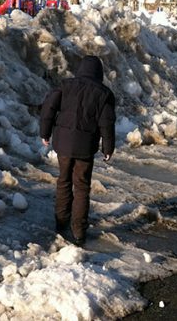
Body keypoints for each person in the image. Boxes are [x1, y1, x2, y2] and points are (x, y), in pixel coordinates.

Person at [40, 55, 116, 246]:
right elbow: (107, 124)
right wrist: (108, 147)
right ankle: (79, 231)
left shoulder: (66, 86)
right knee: (82, 187)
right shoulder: (103, 93)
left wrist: (45, 132)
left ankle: (61, 222)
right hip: (85, 147)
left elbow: (49, 107)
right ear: (99, 73)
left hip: (63, 144)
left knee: (63, 181)